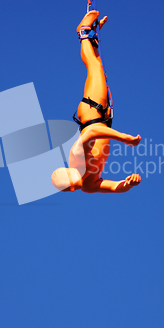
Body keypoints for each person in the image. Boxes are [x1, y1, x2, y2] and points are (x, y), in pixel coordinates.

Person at [51, 10, 141, 193]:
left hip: (92, 114)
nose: (72, 186)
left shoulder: (76, 158)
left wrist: (124, 138)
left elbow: (92, 132)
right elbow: (115, 187)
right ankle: (93, 36)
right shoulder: (89, 185)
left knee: (95, 67)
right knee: (99, 68)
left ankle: (83, 32)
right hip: (104, 117)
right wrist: (129, 183)